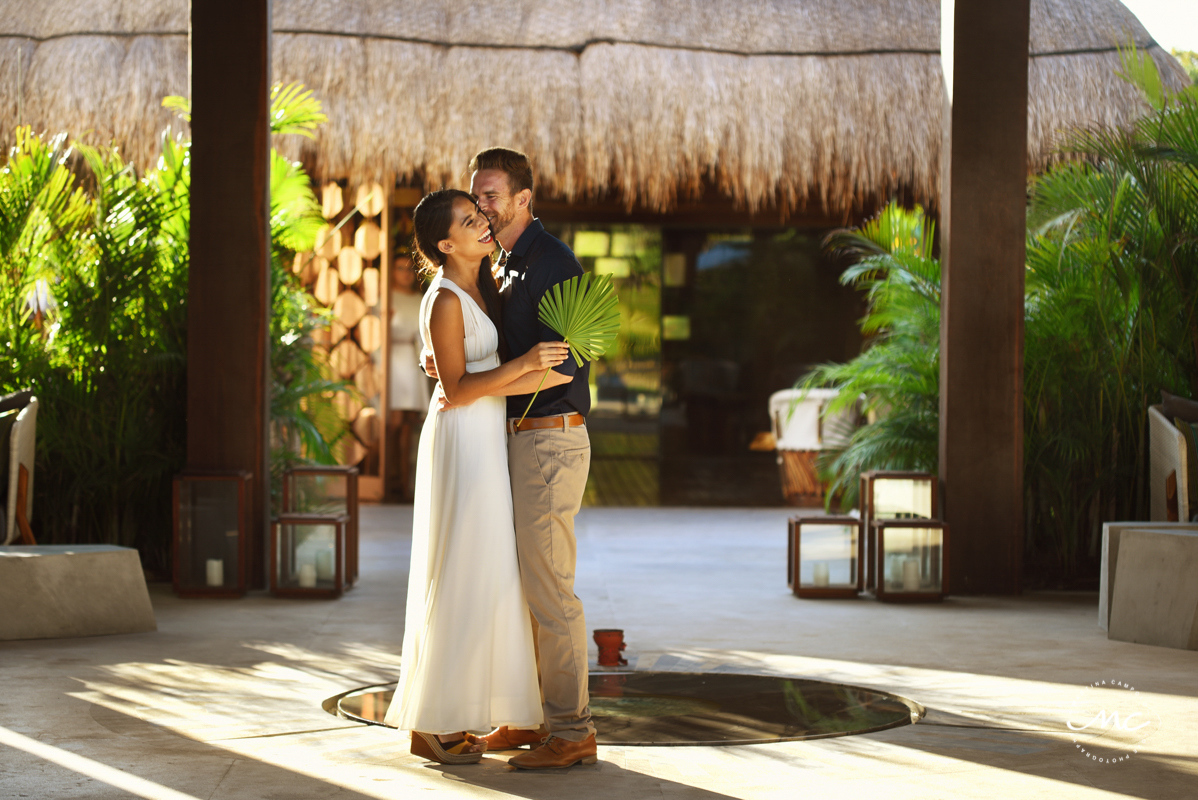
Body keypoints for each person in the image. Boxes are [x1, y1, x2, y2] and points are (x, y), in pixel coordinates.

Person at [383, 189, 571, 765]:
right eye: (470, 219)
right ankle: (429, 720)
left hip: (488, 439)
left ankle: (454, 711)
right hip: (462, 444)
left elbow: (488, 377)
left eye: (480, 214)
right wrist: (526, 365)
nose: (482, 222)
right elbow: (458, 391)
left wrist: (545, 368)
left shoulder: (482, 287)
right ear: (445, 244)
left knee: (487, 572)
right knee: (462, 568)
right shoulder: (443, 299)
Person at [428, 148, 598, 769]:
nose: (483, 208)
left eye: (492, 197)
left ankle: (573, 729)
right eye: (477, 199)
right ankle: (531, 720)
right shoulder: (503, 265)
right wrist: (457, 368)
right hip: (514, 440)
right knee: (522, 584)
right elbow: (496, 352)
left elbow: (572, 359)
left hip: (550, 438)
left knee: (551, 590)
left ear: (526, 199)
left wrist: (489, 381)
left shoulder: (552, 263)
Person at [387, 255, 430, 501]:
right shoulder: (384, 297)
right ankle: (388, 481)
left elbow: (423, 336)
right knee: (391, 425)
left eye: (409, 269)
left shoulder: (418, 300)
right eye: (400, 268)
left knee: (408, 426)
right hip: (388, 361)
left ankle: (406, 486)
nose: (405, 273)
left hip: (411, 361)